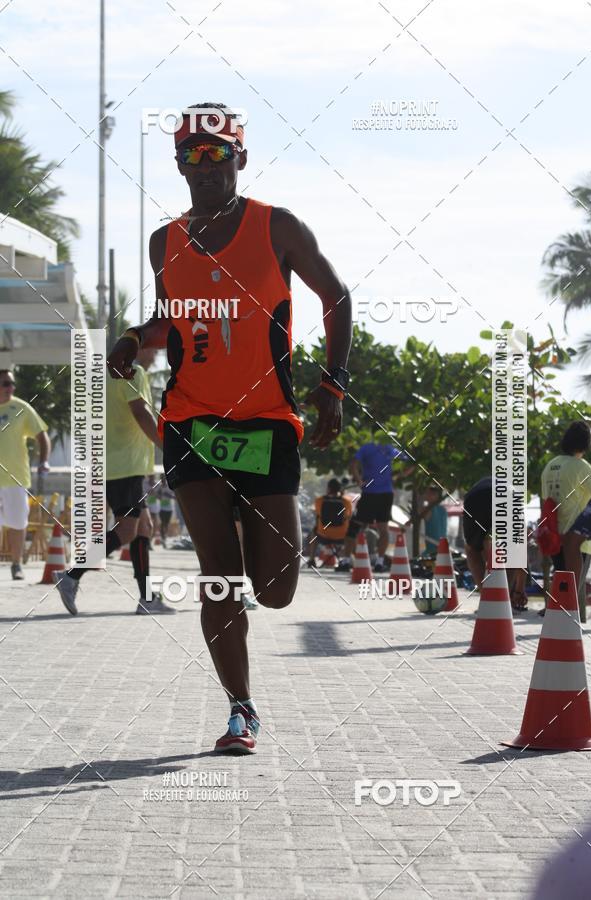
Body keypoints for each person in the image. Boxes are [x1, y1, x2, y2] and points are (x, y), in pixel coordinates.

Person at [106, 103, 352, 754]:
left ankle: (247, 532)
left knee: (275, 589)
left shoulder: (279, 228)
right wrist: (136, 337)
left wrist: (332, 385)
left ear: (239, 158)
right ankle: (241, 710)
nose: (206, 165)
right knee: (219, 576)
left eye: (218, 154)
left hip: (266, 422)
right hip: (191, 421)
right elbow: (171, 322)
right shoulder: (166, 241)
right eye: (194, 155)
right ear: (180, 163)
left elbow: (337, 298)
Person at [53, 348, 174, 615]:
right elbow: (141, 412)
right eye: (153, 347)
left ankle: (147, 598)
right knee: (128, 530)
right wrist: (166, 445)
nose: (156, 355)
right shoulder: (133, 372)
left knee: (144, 527)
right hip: (125, 466)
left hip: (112, 464)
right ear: (139, 347)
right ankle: (71, 576)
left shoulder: (103, 375)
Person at [540, 421, 591, 622]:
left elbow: (545, 503)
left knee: (562, 586)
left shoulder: (550, 466)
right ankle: (567, 635)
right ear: (585, 444)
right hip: (578, 539)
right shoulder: (582, 467)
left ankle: (561, 627)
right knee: (573, 592)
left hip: (555, 537)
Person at [0, 369, 51, 580]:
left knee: (18, 523)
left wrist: (44, 460)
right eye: (5, 383)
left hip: (15, 477)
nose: (10, 387)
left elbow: (42, 436)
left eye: (12, 383)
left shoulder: (21, 408)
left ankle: (16, 564)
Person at [338, 441, 410, 573]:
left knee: (354, 527)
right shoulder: (389, 448)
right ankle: (379, 562)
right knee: (383, 528)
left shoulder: (366, 447)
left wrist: (359, 480)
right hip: (386, 494)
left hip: (370, 494)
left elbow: (353, 464)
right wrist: (399, 476)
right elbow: (411, 461)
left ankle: (347, 560)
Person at [462, 475, 528, 610]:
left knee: (472, 549)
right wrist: (519, 590)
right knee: (513, 550)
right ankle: (503, 599)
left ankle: (487, 598)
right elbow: (520, 551)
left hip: (476, 497)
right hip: (507, 495)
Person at [306, 478, 352, 567]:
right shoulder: (346, 501)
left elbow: (318, 514)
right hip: (342, 536)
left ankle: (311, 560)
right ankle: (347, 559)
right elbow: (348, 516)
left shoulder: (319, 500)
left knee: (313, 532)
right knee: (352, 533)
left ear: (328, 488)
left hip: (323, 534)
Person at [420, 485, 448, 557]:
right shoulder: (443, 509)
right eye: (427, 493)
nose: (428, 495)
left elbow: (421, 514)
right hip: (442, 546)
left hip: (432, 549)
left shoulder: (428, 509)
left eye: (431, 494)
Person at [158, 476, 175, 547]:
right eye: (162, 479)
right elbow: (157, 497)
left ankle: (165, 537)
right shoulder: (159, 488)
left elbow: (174, 497)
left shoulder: (169, 486)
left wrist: (168, 495)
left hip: (169, 508)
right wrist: (160, 495)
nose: (163, 481)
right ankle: (162, 538)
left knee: (167, 524)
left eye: (164, 479)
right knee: (162, 523)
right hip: (161, 508)